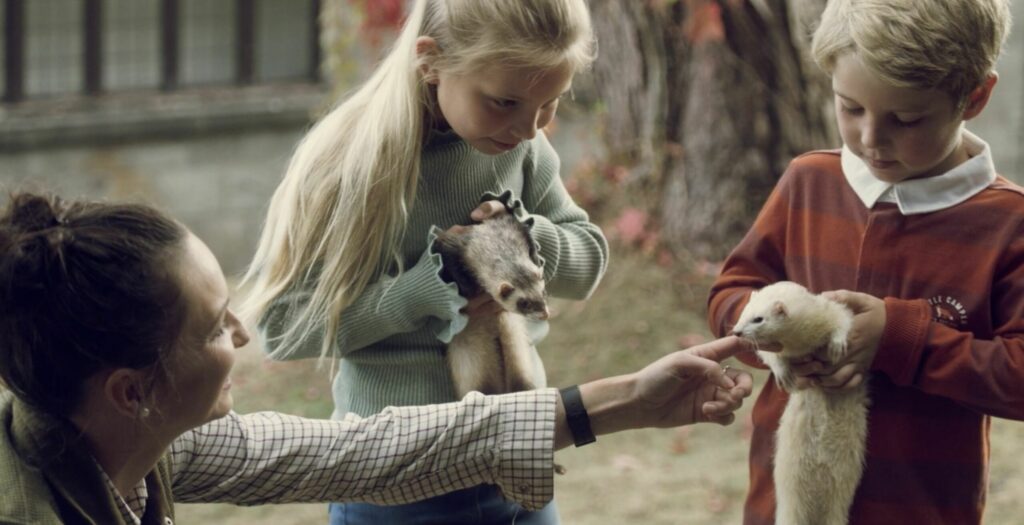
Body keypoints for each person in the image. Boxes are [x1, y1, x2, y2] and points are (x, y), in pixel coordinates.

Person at [0, 192, 753, 525]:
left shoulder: (133, 438)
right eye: (211, 328)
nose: (241, 333)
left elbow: (363, 450)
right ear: (133, 390)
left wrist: (632, 401)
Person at [243, 1, 608, 522]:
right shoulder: (346, 163)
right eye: (505, 102)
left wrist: (517, 238)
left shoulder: (518, 143)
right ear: (431, 61)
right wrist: (421, 292)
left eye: (550, 104)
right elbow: (282, 330)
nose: (529, 129)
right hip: (396, 480)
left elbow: (588, 263)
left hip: (516, 455)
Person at [706, 0, 1021, 523]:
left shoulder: (1009, 224)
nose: (871, 139)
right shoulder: (809, 182)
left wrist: (905, 339)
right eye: (850, 108)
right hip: (785, 505)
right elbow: (730, 294)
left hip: (920, 510)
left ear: (975, 96)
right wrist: (777, 345)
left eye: (907, 118)